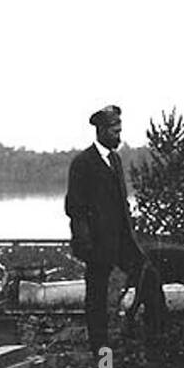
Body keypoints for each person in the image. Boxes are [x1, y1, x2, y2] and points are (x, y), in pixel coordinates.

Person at [65, 106, 144, 352]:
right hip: (96, 245)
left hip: (121, 241)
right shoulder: (83, 163)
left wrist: (130, 237)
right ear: (100, 130)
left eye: (120, 130)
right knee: (97, 299)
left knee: (147, 275)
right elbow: (75, 208)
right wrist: (86, 245)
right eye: (114, 130)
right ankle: (101, 353)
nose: (118, 135)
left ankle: (148, 331)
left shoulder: (115, 160)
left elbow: (120, 203)